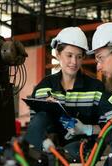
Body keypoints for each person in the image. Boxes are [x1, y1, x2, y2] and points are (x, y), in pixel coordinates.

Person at [24, 27, 104, 156]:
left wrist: (86, 129)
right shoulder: (43, 87)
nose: (74, 62)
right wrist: (47, 111)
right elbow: (36, 126)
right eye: (69, 55)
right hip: (49, 151)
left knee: (72, 150)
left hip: (84, 152)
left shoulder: (96, 88)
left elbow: (108, 128)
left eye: (79, 57)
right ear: (58, 54)